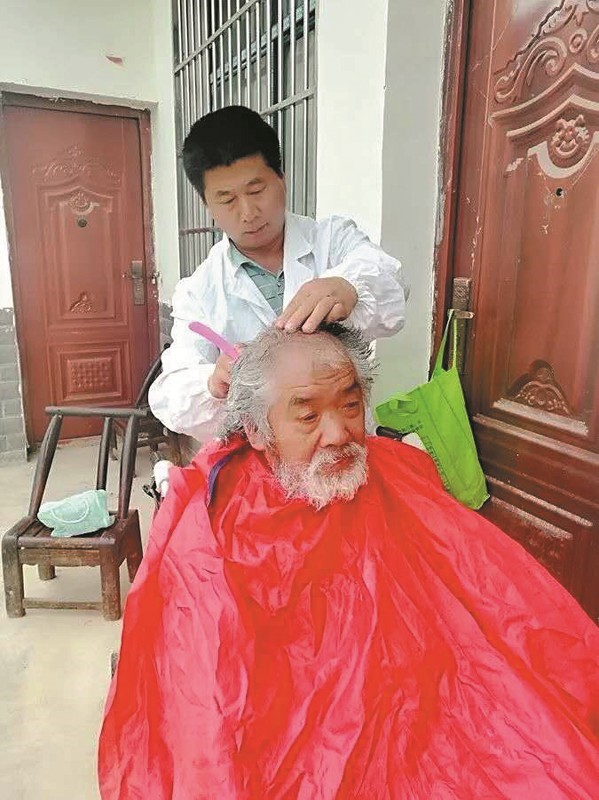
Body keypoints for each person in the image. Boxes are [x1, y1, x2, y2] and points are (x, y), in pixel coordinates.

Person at [100, 324, 599, 800]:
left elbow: (493, 595)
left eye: (351, 406)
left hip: (431, 700)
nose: (340, 433)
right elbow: (207, 689)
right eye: (308, 416)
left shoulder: (399, 473)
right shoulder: (217, 525)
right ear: (255, 430)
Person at [148, 105, 407, 442]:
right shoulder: (199, 291)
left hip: (343, 439)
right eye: (227, 200)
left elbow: (393, 286)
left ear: (281, 179)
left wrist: (349, 286)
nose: (248, 213)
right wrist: (212, 381)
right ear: (207, 206)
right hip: (258, 457)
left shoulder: (332, 241)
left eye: (256, 191)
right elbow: (171, 397)